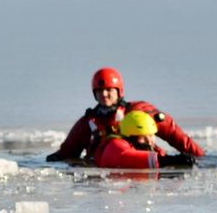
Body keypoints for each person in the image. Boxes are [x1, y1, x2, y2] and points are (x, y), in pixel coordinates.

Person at [46, 67, 206, 163]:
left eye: (109, 90)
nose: (105, 94)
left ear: (119, 91)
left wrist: (199, 157)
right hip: (110, 168)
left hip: (147, 164)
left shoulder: (139, 112)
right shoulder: (88, 122)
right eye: (100, 91)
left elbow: (172, 132)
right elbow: (68, 152)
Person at [95, 110, 197, 169]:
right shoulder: (115, 146)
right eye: (143, 137)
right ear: (130, 137)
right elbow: (125, 157)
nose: (149, 141)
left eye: (151, 135)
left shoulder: (151, 148)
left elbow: (160, 157)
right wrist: (170, 160)